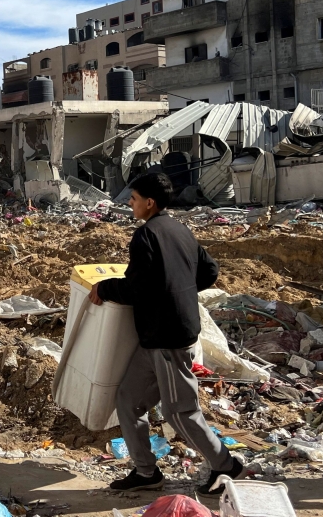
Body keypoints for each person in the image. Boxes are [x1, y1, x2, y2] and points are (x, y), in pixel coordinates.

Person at [88, 172, 242, 497]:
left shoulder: (146, 236)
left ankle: (227, 466)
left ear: (149, 202)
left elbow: (136, 287)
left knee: (180, 411)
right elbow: (209, 270)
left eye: (133, 198)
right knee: (128, 401)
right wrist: (179, 290)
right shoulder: (180, 230)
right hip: (156, 340)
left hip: (169, 339)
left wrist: (104, 288)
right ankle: (146, 472)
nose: (130, 203)